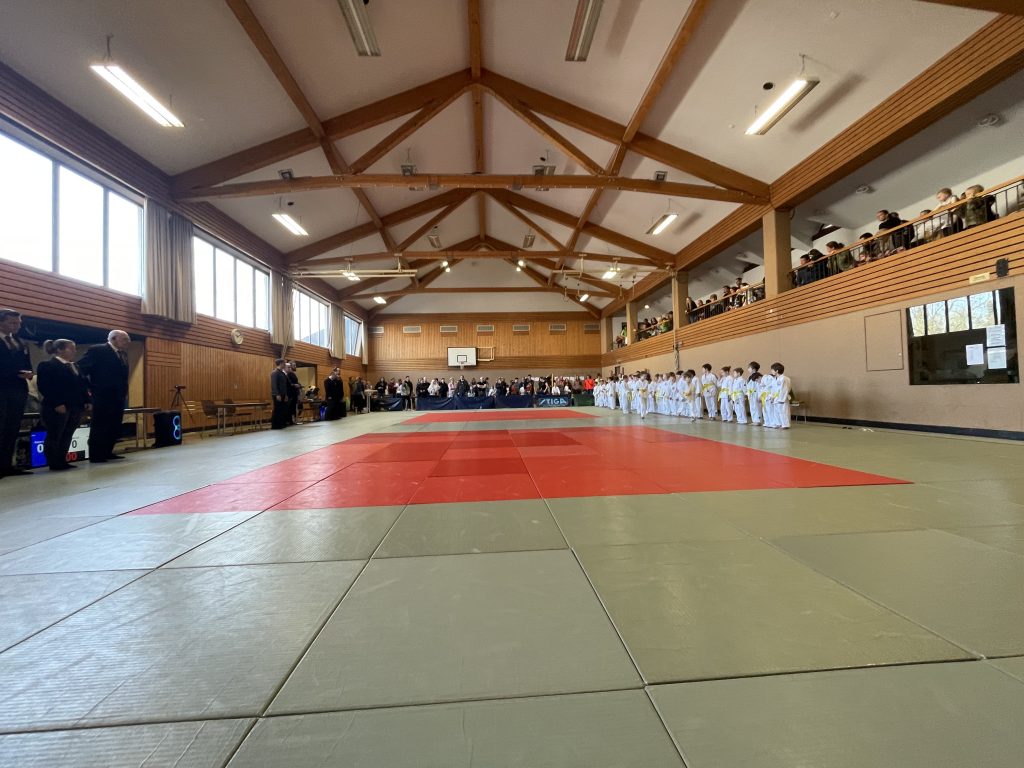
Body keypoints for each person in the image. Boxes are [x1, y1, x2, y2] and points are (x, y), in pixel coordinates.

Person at [36, 339, 90, 470]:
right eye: (71, 348)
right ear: (60, 350)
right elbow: (45, 386)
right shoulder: (47, 365)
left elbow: (83, 385)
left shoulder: (75, 366)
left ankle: (62, 459)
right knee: (55, 434)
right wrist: (57, 403)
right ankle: (53, 462)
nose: (74, 351)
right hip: (56, 406)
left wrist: (87, 400)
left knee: (67, 434)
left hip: (75, 406)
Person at [78, 329, 131, 463]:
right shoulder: (98, 350)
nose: (128, 342)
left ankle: (107, 451)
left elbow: (123, 377)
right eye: (125, 339)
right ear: (113, 339)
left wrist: (124, 392)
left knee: (114, 425)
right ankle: (96, 454)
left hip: (118, 396)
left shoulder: (123, 354)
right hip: (102, 395)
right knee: (100, 425)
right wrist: (91, 388)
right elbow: (81, 369)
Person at [0, 309, 34, 478]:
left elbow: (26, 364)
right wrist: (15, 373)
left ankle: (6, 465)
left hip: (18, 389)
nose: (17, 326)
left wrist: (29, 373)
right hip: (2, 388)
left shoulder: (20, 342)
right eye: (13, 322)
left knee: (11, 428)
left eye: (18, 323)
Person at [770, 362, 792, 429]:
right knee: (777, 411)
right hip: (776, 397)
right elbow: (773, 389)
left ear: (776, 371)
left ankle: (785, 425)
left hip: (782, 398)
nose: (771, 371)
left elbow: (785, 389)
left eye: (772, 370)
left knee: (783, 411)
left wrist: (781, 399)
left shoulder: (784, 378)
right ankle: (778, 423)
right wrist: (772, 397)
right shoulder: (775, 379)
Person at [270, 359, 291, 429]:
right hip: (277, 394)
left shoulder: (282, 373)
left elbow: (284, 385)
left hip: (283, 394)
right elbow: (274, 384)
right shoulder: (275, 373)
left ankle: (281, 423)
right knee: (277, 410)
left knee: (282, 410)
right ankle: (275, 425)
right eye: (284, 363)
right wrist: (277, 394)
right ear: (280, 363)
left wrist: (286, 394)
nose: (285, 364)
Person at [746, 362, 763, 426]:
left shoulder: (758, 376)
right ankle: (755, 420)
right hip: (751, 394)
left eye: (749, 368)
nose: (748, 369)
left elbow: (759, 387)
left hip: (756, 394)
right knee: (752, 408)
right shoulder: (750, 377)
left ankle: (758, 421)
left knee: (757, 407)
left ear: (753, 369)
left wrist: (760, 396)